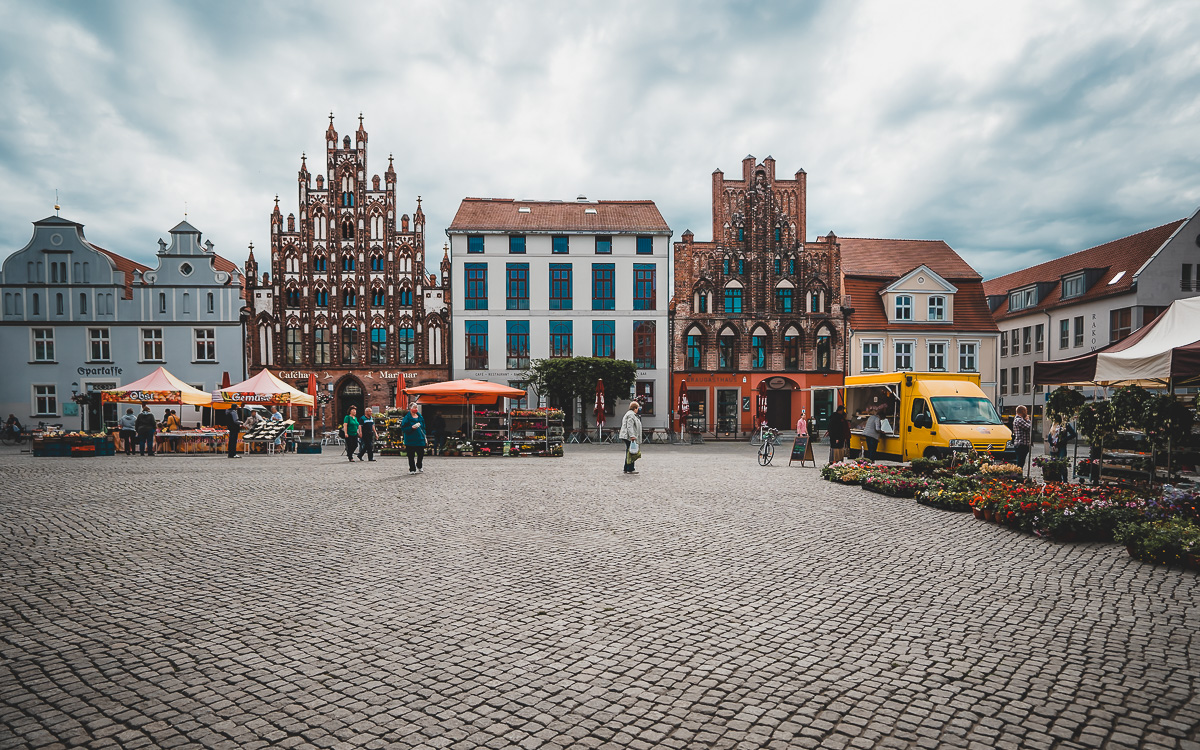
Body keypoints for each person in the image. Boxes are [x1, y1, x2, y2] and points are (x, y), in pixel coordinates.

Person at [400, 402, 427, 474]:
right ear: (411, 409)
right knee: (411, 455)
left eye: (416, 408)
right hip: (410, 439)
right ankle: (412, 469)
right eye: (415, 408)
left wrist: (424, 434)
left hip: (420, 438)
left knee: (421, 454)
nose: (416, 409)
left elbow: (423, 426)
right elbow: (403, 428)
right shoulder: (407, 418)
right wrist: (411, 428)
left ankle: (419, 465)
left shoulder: (420, 417)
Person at [619, 400, 643, 474]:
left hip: (628, 436)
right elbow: (630, 426)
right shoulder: (631, 415)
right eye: (637, 408)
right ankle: (630, 468)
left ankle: (626, 468)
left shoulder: (630, 414)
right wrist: (632, 436)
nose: (638, 410)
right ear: (635, 408)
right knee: (632, 452)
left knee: (629, 451)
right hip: (629, 436)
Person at [1012, 405, 1032, 472]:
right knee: (1020, 462)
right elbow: (1029, 428)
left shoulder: (1018, 420)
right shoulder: (1019, 420)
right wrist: (1028, 420)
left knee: (1021, 462)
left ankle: (1019, 475)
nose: (1026, 413)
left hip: (1022, 444)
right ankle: (1018, 476)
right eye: (1026, 411)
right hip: (1021, 444)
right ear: (1023, 411)